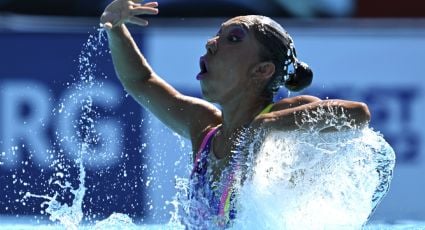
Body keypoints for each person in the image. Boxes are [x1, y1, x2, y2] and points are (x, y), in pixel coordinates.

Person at [100, 0, 371, 228]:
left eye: (233, 38)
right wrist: (117, 28)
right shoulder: (204, 128)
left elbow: (357, 114)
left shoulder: (279, 115)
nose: (211, 43)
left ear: (262, 70)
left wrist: (269, 123)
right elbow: (141, 81)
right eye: (218, 34)